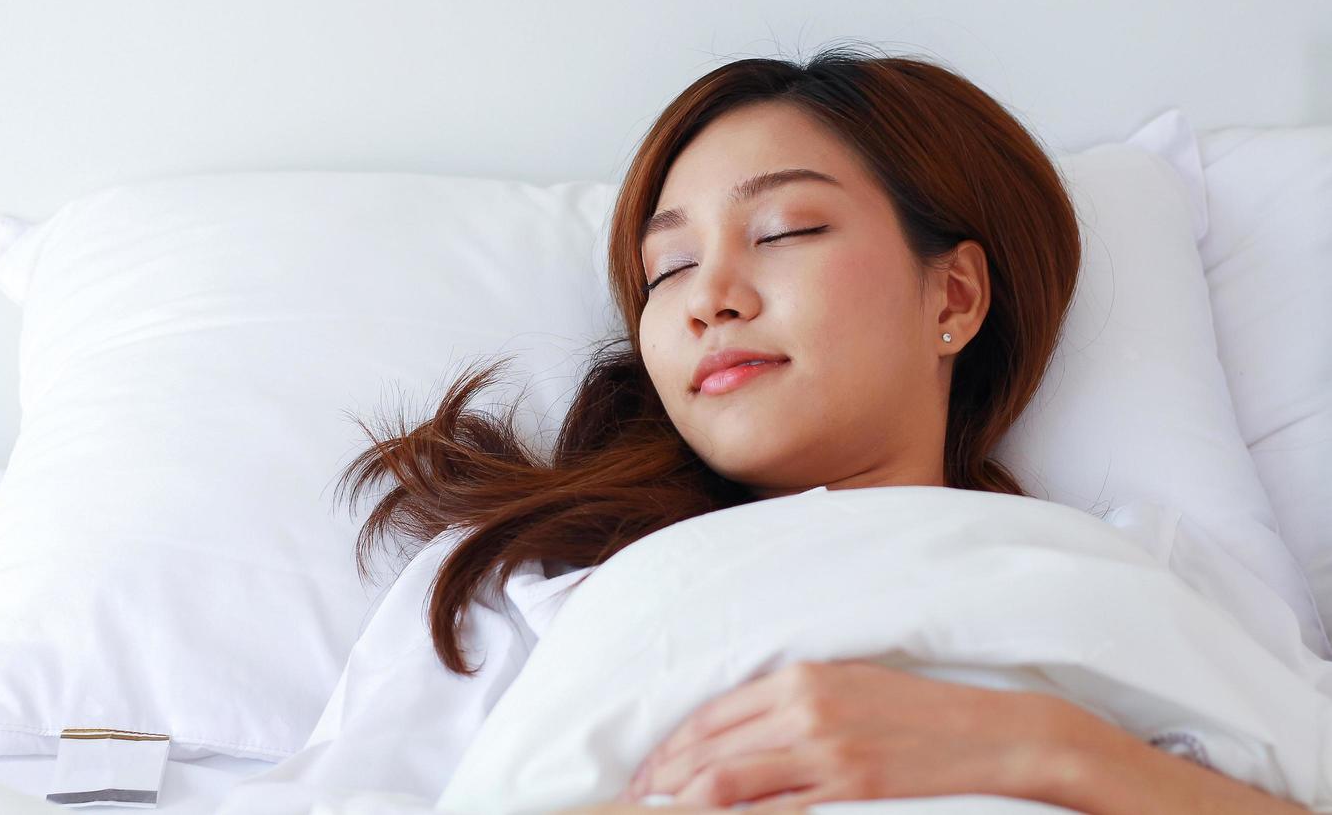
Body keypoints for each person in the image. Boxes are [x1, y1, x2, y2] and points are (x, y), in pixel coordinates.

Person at [271, 43, 1313, 813]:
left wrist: (1039, 747)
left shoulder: (1147, 573)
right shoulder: (538, 586)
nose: (706, 296)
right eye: (667, 266)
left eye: (785, 231)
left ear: (952, 295)